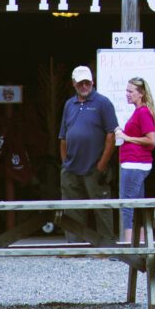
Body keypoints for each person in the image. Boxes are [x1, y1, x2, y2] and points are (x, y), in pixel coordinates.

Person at [59, 65, 121, 245]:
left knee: (101, 207)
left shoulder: (103, 103)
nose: (84, 86)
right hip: (71, 167)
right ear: (74, 84)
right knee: (71, 209)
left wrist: (102, 164)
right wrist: (64, 162)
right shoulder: (69, 104)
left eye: (87, 82)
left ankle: (106, 247)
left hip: (94, 166)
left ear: (93, 82)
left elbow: (111, 134)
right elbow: (63, 136)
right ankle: (75, 246)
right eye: (80, 83)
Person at [117, 77, 155, 243]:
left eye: (130, 91)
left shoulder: (142, 112)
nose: (127, 94)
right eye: (126, 91)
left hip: (135, 163)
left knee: (127, 204)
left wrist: (127, 137)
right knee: (138, 204)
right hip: (137, 164)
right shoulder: (140, 111)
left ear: (140, 94)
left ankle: (129, 244)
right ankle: (140, 243)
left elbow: (152, 140)